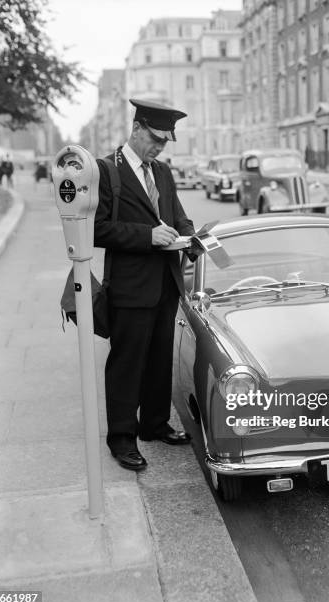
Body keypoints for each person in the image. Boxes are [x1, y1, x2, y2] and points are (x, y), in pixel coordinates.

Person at [94, 99, 196, 472]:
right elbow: (96, 229)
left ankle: (155, 424)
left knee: (158, 362)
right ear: (136, 129)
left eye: (165, 142)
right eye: (155, 139)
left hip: (165, 285)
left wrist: (191, 238)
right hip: (130, 287)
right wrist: (147, 236)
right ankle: (122, 438)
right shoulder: (106, 171)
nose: (159, 147)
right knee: (127, 364)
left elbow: (178, 216)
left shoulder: (163, 172)